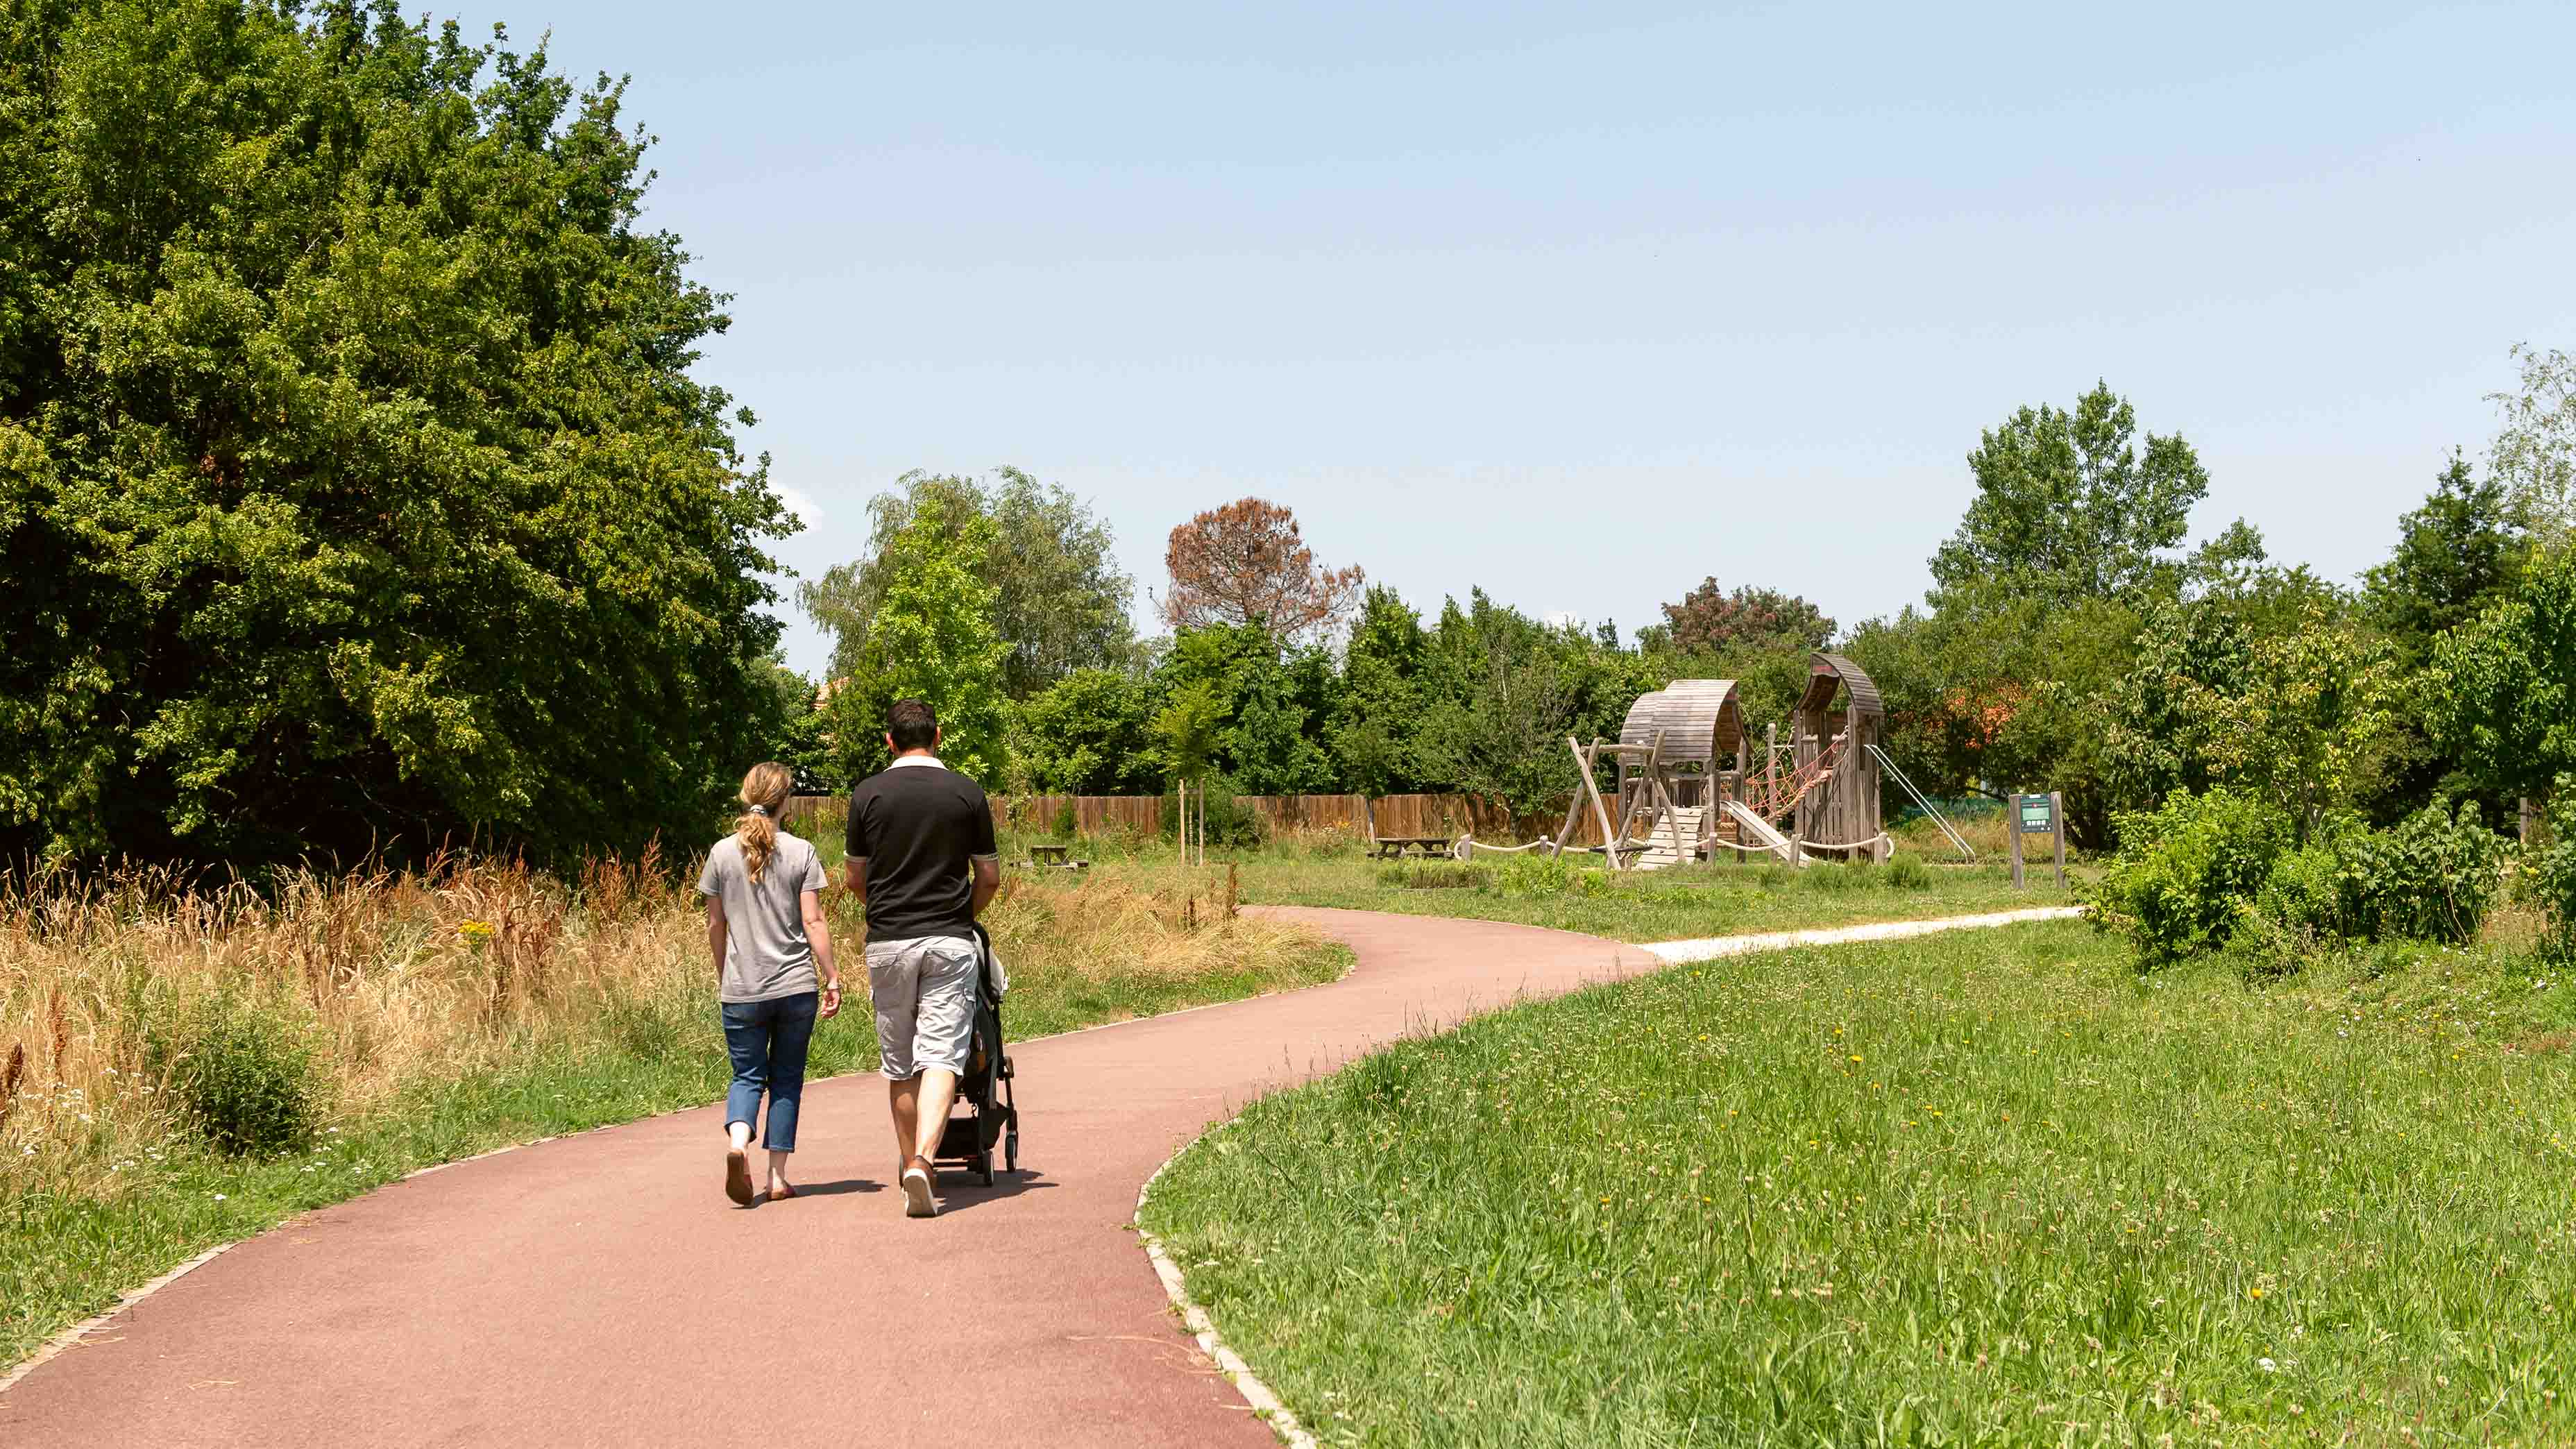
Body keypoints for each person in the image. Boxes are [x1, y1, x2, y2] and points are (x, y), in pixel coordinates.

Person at [844, 699, 999, 1218]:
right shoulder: (966, 792)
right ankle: (924, 1164)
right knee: (941, 1055)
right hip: (949, 940)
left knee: (900, 1061)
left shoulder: (867, 794)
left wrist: (886, 912)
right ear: (939, 736)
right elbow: (990, 877)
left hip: (888, 941)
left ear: (890, 741)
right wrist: (963, 914)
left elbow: (854, 879)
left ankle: (908, 1160)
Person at [699, 762, 841, 1206]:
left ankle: (737, 1144)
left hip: (742, 988)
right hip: (795, 986)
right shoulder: (802, 852)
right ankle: (776, 1177)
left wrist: (726, 973)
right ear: (787, 802)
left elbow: (715, 924)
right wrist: (833, 975)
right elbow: (813, 920)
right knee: (786, 1079)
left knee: (746, 1075)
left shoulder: (721, 853)